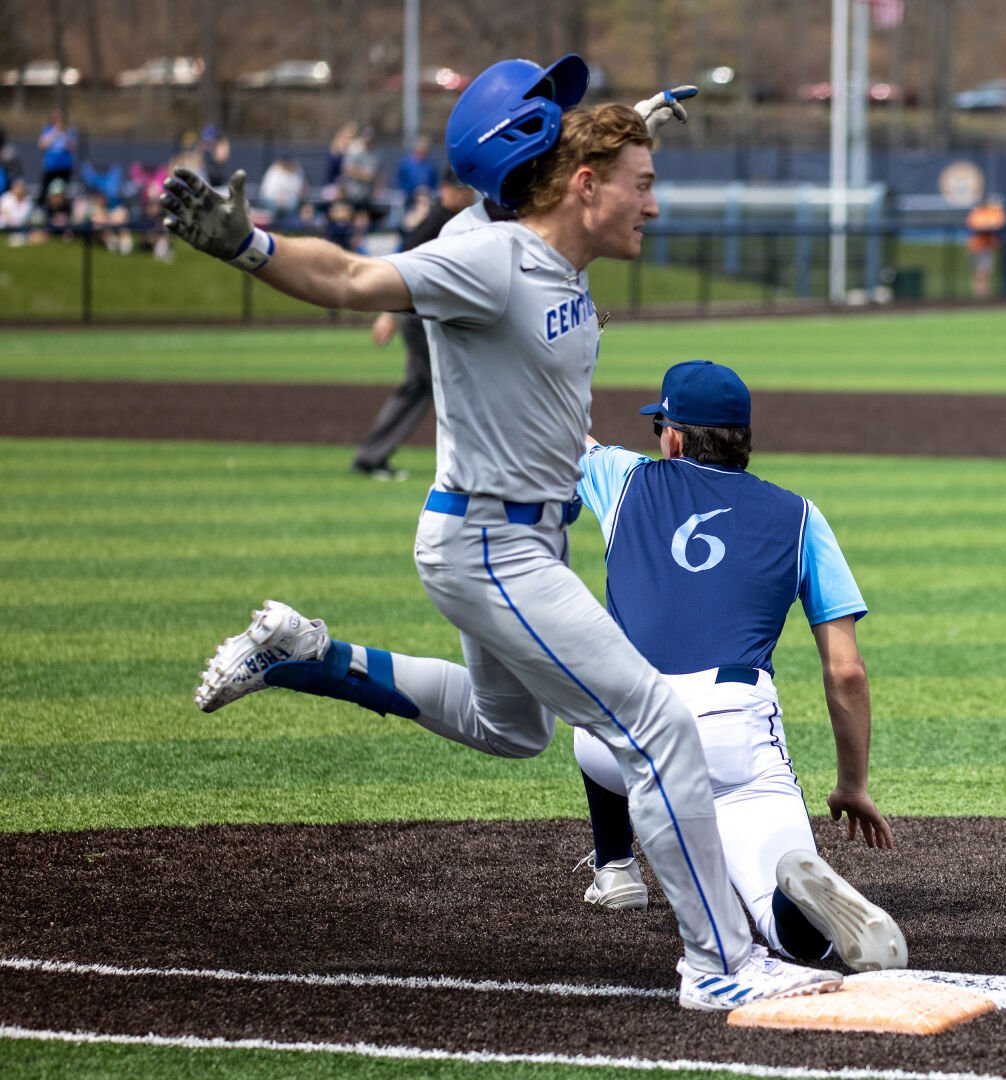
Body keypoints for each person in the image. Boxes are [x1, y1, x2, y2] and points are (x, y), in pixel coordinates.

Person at [164, 57, 828, 1012]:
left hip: (512, 541)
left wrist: (632, 123)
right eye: (641, 185)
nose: (655, 204)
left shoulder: (544, 235)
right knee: (657, 729)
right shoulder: (484, 259)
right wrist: (248, 245)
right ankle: (721, 966)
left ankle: (308, 655)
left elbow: (577, 168)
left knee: (508, 729)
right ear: (581, 185)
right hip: (491, 546)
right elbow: (351, 276)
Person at [569, 359, 907, 973]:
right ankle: (790, 913)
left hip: (618, 729)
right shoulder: (799, 516)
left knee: (597, 690)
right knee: (780, 905)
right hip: (731, 729)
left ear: (672, 437)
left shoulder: (625, 481)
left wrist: (554, 351)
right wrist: (851, 785)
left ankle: (615, 867)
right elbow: (846, 671)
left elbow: (559, 430)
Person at [353, 167, 476, 481]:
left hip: (428, 316)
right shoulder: (437, 223)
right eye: (461, 189)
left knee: (424, 386)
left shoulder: (454, 221)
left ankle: (372, 455)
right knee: (426, 386)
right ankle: (372, 456)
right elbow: (404, 269)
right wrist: (390, 314)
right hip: (420, 318)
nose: (467, 194)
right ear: (447, 189)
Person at [965, 195, 1006, 299]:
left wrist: (988, 226)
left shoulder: (993, 212)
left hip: (987, 246)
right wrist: (987, 226)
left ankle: (984, 297)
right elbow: (975, 226)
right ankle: (978, 297)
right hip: (975, 247)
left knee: (984, 272)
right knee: (977, 273)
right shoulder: (976, 212)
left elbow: (998, 224)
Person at [37, 108, 76, 203]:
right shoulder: (48, 130)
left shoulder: (70, 130)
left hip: (65, 165)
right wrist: (54, 133)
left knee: (63, 190)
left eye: (60, 117)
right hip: (51, 165)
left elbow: (73, 148)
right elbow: (42, 145)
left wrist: (64, 134)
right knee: (45, 189)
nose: (58, 119)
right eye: (56, 117)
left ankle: (63, 210)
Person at [393, 135, 438, 206]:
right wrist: (415, 190)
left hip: (426, 198)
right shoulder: (405, 164)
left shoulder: (430, 166)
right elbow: (401, 183)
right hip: (409, 199)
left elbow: (434, 183)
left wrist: (426, 189)